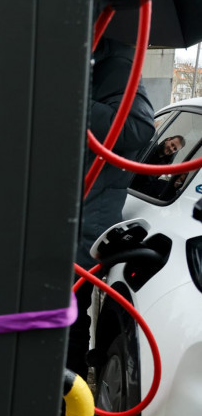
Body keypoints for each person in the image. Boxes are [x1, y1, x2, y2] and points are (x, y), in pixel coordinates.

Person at [69, 37, 155, 380]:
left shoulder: (115, 63)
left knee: (69, 315)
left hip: (85, 217)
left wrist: (76, 100)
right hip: (64, 214)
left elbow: (139, 128)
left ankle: (65, 403)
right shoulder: (90, 63)